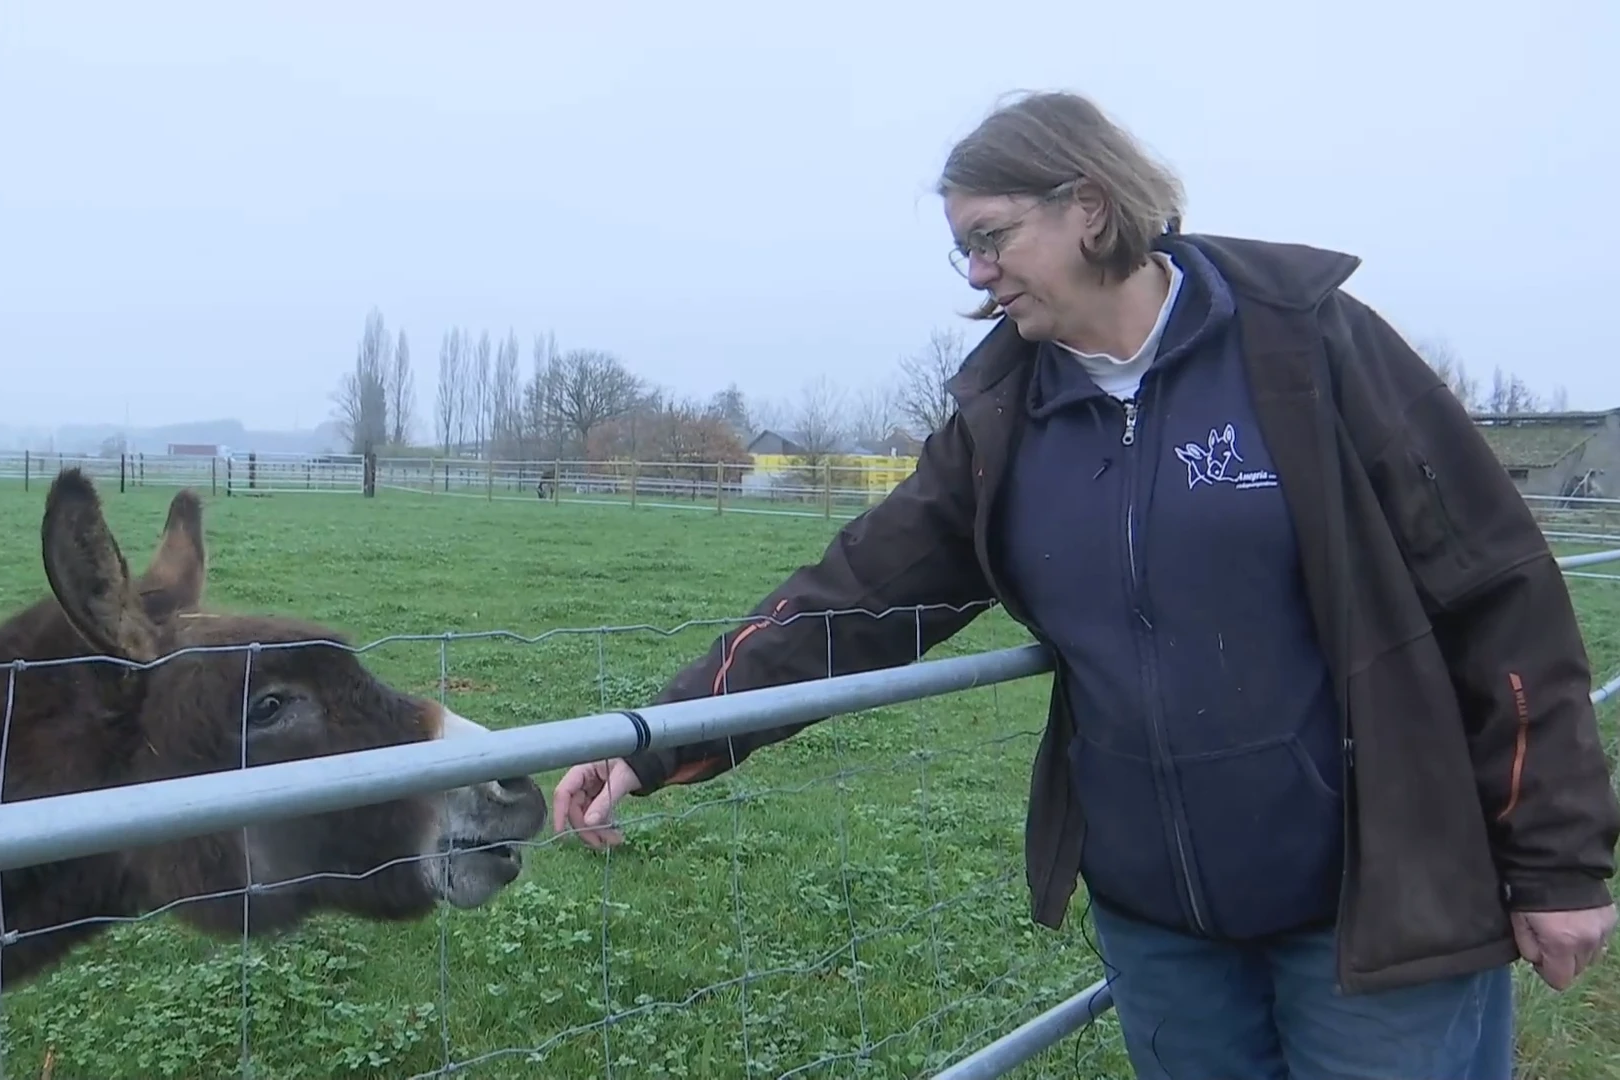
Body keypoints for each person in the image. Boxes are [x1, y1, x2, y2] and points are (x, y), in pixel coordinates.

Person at [551, 90, 1620, 1079]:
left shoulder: (1306, 346)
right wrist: (662, 736)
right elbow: (851, 599)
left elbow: (1498, 595)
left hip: (1375, 907)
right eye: (962, 249)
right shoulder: (1004, 421)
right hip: (1163, 927)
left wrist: (1559, 862)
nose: (976, 273)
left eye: (990, 237)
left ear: (1090, 208)